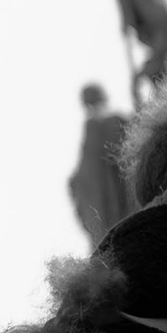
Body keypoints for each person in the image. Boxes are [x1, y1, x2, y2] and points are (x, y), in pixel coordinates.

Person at [67, 81, 134, 246]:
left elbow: (127, 153)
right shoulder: (95, 124)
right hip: (103, 210)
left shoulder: (109, 121)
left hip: (117, 202)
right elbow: (85, 173)